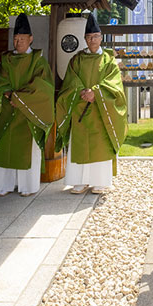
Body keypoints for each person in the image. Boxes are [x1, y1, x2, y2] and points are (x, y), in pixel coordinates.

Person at [0, 13, 55, 197]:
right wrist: (6, 93)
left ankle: (27, 186)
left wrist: (20, 98)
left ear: (31, 39)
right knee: (6, 147)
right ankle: (4, 185)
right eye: (15, 38)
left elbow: (43, 87)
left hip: (29, 113)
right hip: (7, 110)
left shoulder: (38, 61)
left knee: (26, 150)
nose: (18, 42)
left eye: (22, 38)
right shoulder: (7, 60)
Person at [55, 13, 127, 194]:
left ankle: (100, 181)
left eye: (95, 36)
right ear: (85, 39)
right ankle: (78, 181)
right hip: (80, 107)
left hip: (101, 110)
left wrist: (96, 92)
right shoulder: (77, 59)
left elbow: (114, 84)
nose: (92, 40)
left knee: (99, 145)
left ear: (101, 37)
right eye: (89, 37)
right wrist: (82, 91)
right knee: (79, 144)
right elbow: (70, 80)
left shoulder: (109, 60)